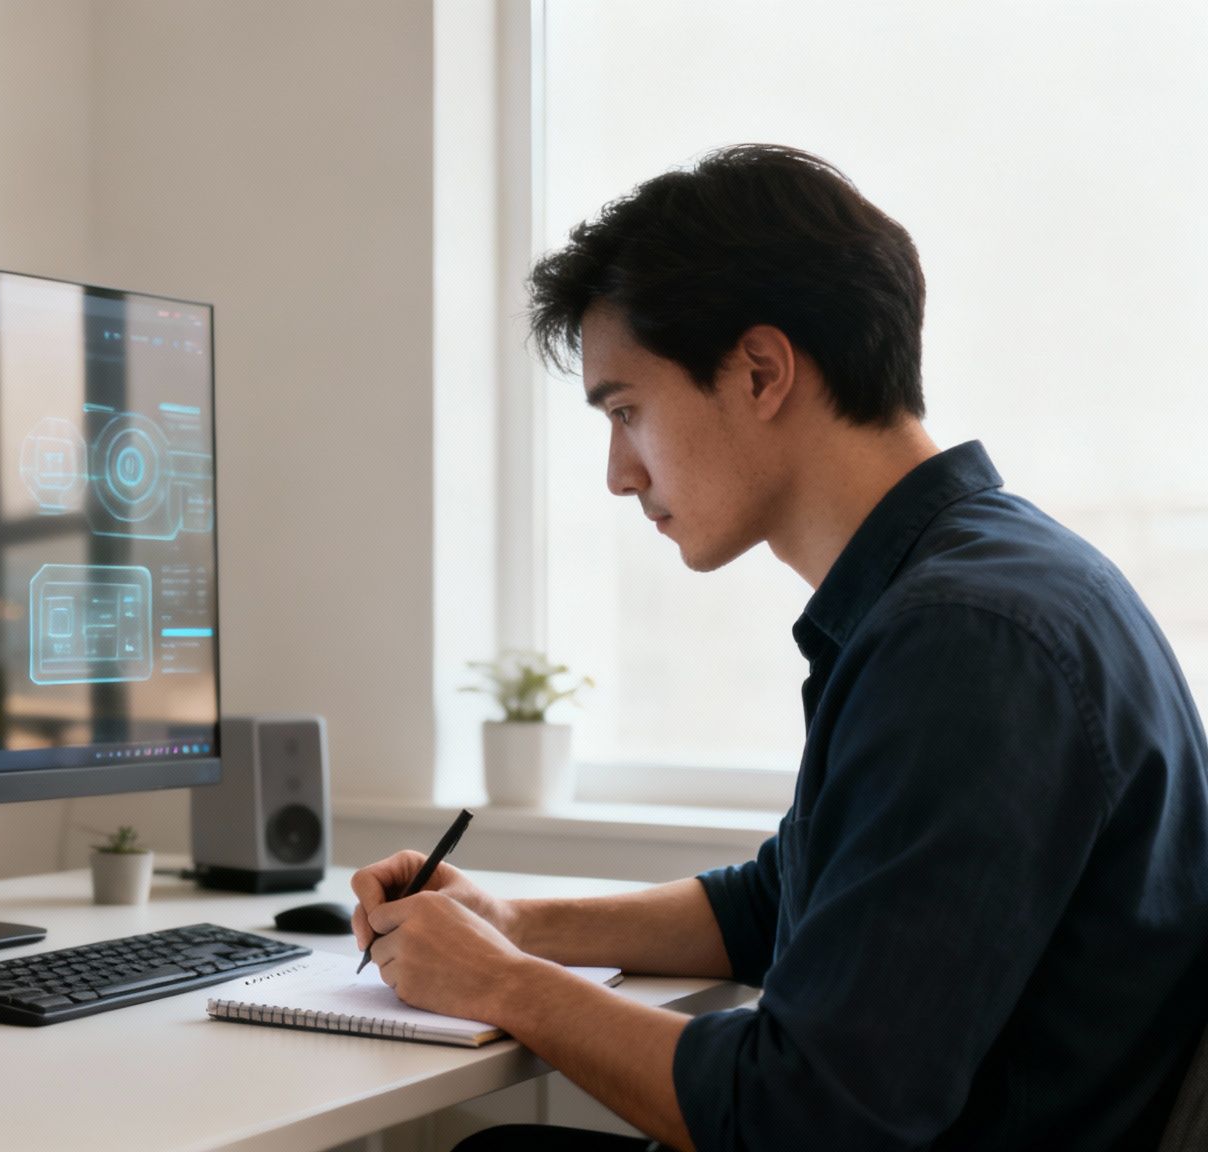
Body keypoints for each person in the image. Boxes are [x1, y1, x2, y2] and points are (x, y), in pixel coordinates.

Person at [352, 144, 1208, 1151]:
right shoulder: (989, 580)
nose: (616, 475)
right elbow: (781, 899)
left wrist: (499, 984)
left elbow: (807, 1118)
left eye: (626, 410)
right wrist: (513, 924)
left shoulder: (961, 643)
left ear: (760, 371)